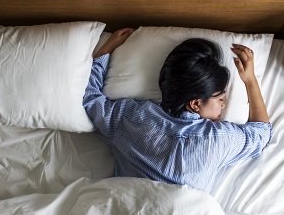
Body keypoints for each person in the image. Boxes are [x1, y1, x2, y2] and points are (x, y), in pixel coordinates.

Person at [83, 28, 271, 193]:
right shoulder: (218, 138)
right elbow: (262, 133)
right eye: (221, 98)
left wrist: (106, 48)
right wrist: (250, 81)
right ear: (196, 104)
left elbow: (91, 99)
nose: (225, 104)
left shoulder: (130, 116)